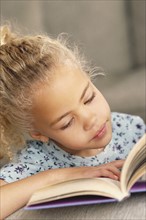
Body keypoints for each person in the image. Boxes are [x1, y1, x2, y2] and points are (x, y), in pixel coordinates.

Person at [0, 25, 145, 219]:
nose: (90, 120)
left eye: (89, 98)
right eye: (67, 123)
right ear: (38, 132)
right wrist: (59, 176)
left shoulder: (130, 127)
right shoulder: (34, 161)